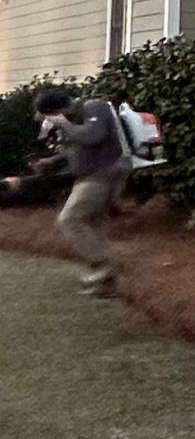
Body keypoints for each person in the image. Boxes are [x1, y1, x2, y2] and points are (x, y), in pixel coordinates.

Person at [32, 84, 133, 293]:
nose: (48, 122)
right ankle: (106, 286)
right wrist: (52, 161)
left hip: (105, 174)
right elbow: (79, 147)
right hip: (89, 175)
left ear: (57, 110)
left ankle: (106, 267)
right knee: (91, 225)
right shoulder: (74, 118)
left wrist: (63, 124)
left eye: (49, 117)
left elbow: (92, 136)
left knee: (70, 219)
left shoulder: (94, 107)